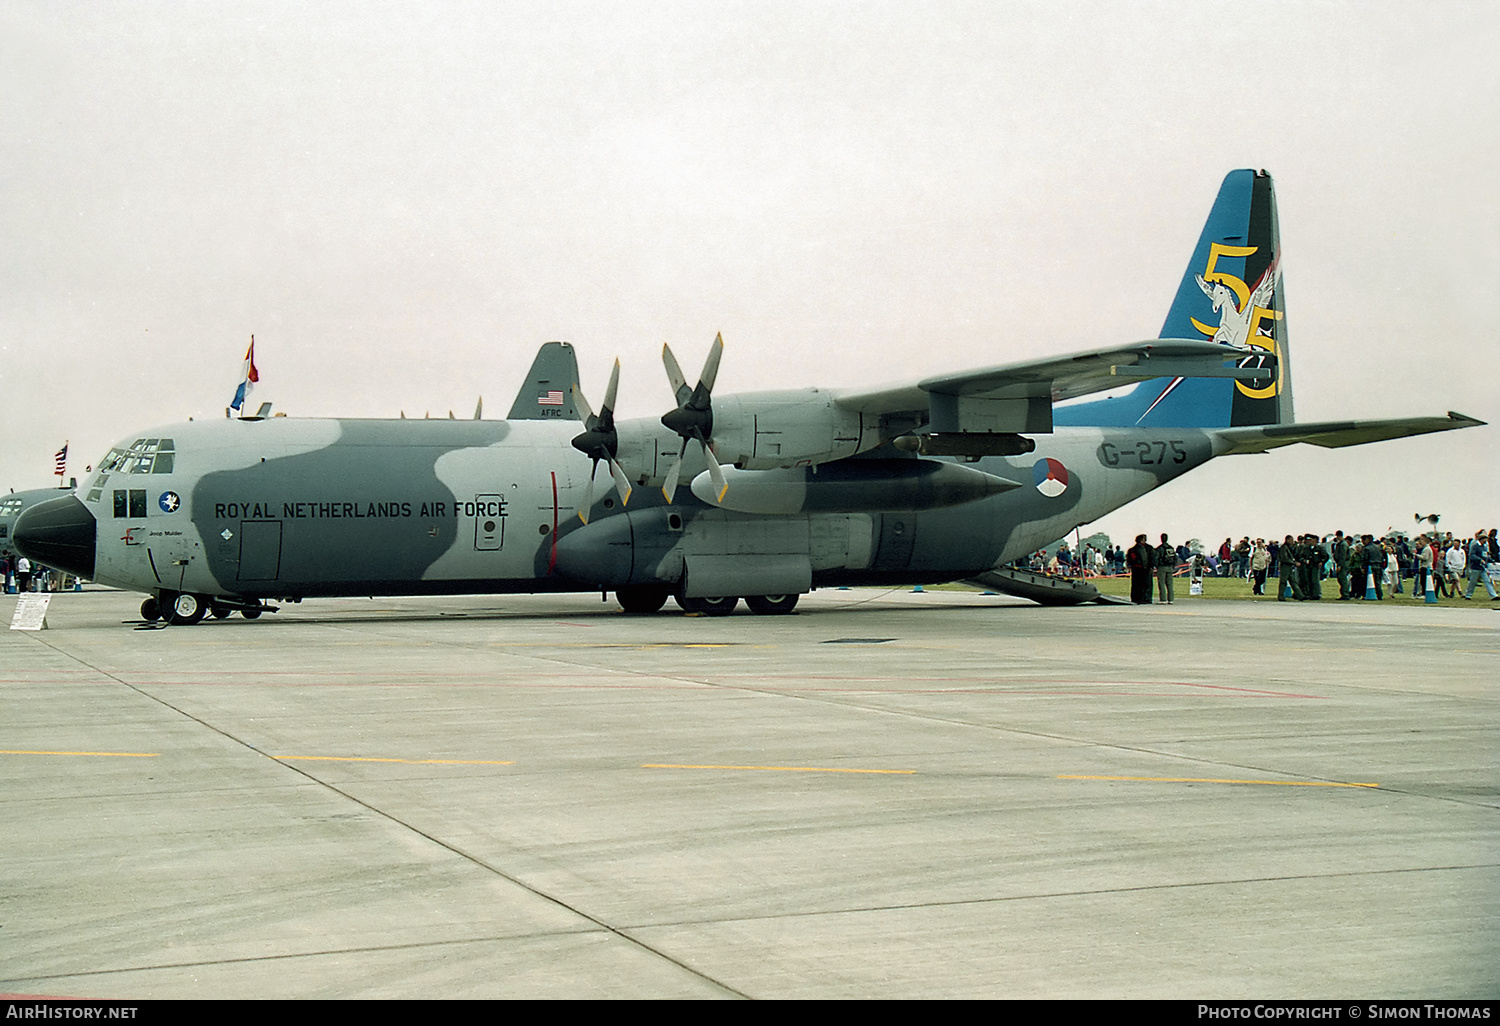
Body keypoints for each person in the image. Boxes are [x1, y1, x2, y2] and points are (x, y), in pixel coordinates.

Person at [1462, 531, 1498, 600]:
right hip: (1475, 567)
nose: (1486, 541)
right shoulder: (1475, 545)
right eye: (1485, 539)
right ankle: (1468, 595)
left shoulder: (1484, 547)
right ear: (1482, 539)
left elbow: (1485, 556)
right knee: (1473, 581)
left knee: (1487, 581)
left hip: (1483, 568)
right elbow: (1471, 555)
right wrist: (1479, 560)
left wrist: (1491, 560)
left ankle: (1493, 595)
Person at [1127, 534, 1154, 605]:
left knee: (1136, 584)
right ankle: (1146, 598)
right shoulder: (1149, 548)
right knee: (1147, 584)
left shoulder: (1132, 549)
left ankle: (1136, 598)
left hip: (1137, 569)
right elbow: (1153, 558)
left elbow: (1130, 560)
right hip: (1145, 569)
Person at [1155, 533, 1176, 604]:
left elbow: (1156, 558)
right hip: (1170, 567)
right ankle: (1171, 599)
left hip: (1162, 567)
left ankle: (1163, 599)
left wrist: (1156, 566)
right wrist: (1173, 565)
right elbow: (1175, 558)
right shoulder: (1171, 548)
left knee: (1161, 583)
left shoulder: (1159, 548)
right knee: (1170, 584)